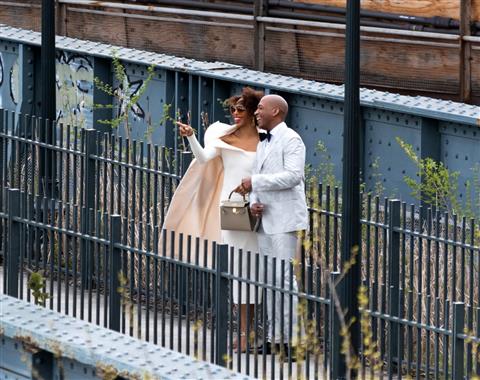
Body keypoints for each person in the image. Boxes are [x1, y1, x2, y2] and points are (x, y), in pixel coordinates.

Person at [163, 87, 263, 352]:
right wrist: (192, 137)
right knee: (239, 272)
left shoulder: (267, 141)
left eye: (241, 109)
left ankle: (258, 332)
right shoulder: (223, 138)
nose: (235, 114)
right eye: (233, 109)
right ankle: (244, 332)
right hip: (232, 211)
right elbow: (204, 158)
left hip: (261, 210)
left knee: (258, 273)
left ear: (254, 112)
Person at [236, 94, 308, 361]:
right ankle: (275, 339)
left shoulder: (291, 140)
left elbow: (293, 176)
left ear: (276, 111)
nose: (256, 113)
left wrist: (255, 183)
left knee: (284, 281)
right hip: (266, 220)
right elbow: (258, 178)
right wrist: (254, 202)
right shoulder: (264, 142)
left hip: (285, 220)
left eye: (261, 109)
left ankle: (294, 342)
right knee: (269, 281)